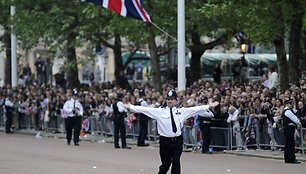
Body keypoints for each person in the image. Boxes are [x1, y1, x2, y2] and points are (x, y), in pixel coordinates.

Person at [124, 89, 219, 174]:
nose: (170, 101)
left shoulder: (182, 111)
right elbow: (145, 110)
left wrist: (208, 106)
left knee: (176, 161)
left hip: (177, 141)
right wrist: (131, 107)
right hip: (165, 141)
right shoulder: (160, 111)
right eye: (168, 99)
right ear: (166, 100)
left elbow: (194, 109)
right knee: (166, 165)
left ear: (176, 101)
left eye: (172, 99)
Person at [282, 99, 301, 164]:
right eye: (291, 104)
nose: (292, 105)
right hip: (289, 128)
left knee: (287, 144)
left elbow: (296, 112)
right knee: (291, 144)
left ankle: (287, 158)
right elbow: (295, 119)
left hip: (287, 128)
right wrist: (299, 123)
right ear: (288, 104)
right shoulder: (288, 111)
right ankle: (291, 159)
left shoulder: (287, 110)